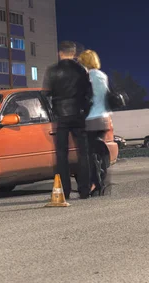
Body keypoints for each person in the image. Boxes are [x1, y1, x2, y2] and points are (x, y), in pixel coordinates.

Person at [43, 41, 94, 199]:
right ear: (73, 53)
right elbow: (89, 93)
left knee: (61, 155)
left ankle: (64, 190)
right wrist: (85, 110)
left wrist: (53, 111)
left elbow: (46, 93)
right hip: (78, 115)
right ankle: (84, 189)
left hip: (61, 116)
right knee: (83, 153)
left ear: (60, 53)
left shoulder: (52, 71)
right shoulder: (81, 70)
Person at [77, 49, 112, 196]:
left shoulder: (88, 77)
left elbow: (85, 98)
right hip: (104, 118)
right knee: (98, 152)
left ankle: (97, 184)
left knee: (89, 154)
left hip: (91, 118)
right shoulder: (102, 75)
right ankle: (100, 183)